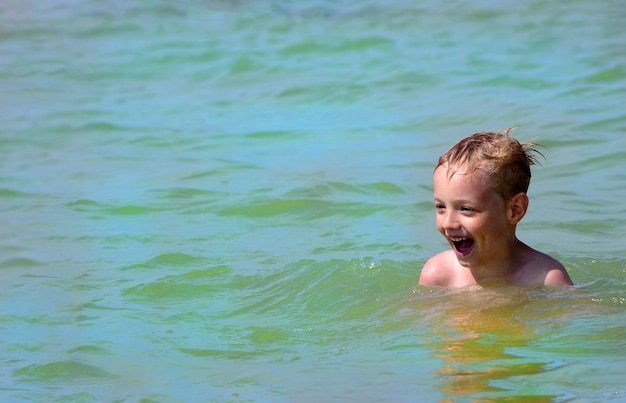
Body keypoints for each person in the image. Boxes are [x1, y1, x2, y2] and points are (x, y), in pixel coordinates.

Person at [418, 128, 574, 287]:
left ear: (515, 210)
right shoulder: (438, 275)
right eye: (441, 207)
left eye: (466, 209)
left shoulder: (544, 277)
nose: (448, 223)